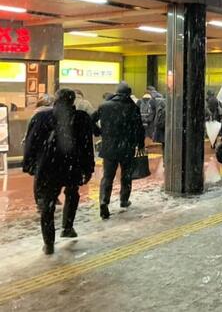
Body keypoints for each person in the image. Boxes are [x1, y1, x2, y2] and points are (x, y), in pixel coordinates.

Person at [23, 89, 95, 255]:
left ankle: (49, 243)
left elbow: (31, 143)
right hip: (72, 165)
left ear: (56, 100)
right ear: (72, 101)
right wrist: (88, 168)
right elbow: (87, 147)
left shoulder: (42, 118)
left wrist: (29, 164)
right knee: (72, 193)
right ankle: (67, 227)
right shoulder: (81, 118)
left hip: (49, 166)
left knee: (47, 204)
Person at [93, 83, 145, 220]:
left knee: (107, 177)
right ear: (128, 94)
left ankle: (104, 201)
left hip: (109, 147)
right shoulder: (133, 108)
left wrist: (100, 132)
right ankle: (124, 199)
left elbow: (90, 120)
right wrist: (140, 145)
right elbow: (139, 128)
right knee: (126, 175)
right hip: (127, 147)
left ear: (116, 93)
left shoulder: (105, 106)